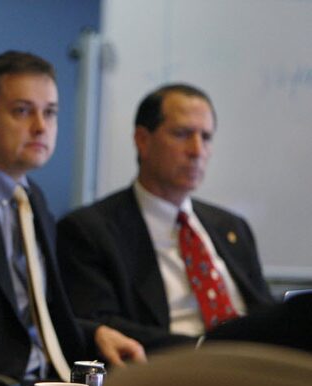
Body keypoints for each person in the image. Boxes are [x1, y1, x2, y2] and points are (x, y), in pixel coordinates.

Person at [0, 51, 144, 386]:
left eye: (51, 113)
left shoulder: (33, 200)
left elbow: (33, 313)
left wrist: (95, 332)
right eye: (22, 111)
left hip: (52, 382)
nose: (41, 127)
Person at [56, 84, 274, 350]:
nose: (197, 150)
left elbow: (265, 311)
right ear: (142, 140)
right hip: (170, 374)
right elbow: (101, 327)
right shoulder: (89, 231)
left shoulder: (231, 227)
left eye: (206, 137)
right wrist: (207, 349)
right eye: (183, 134)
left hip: (256, 371)